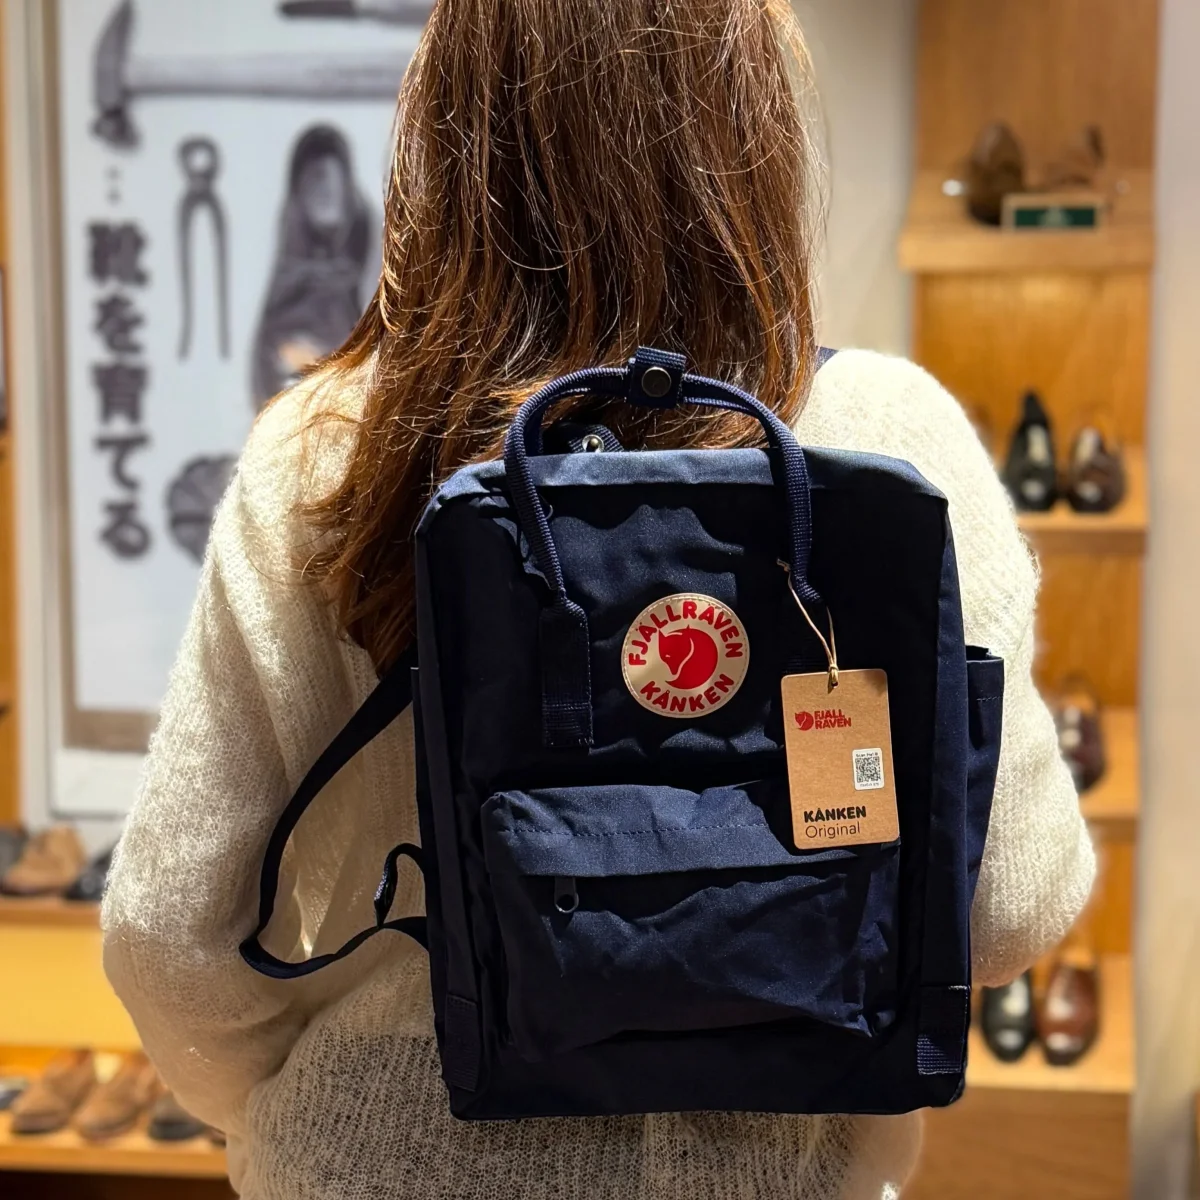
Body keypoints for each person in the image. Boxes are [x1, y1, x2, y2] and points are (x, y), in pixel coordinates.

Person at [102, 2, 1095, 1197]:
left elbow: (166, 936)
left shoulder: (324, 451)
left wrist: (300, 1103)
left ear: (449, 121)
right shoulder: (888, 438)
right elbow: (1010, 908)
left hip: (376, 1156)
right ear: (755, 125)